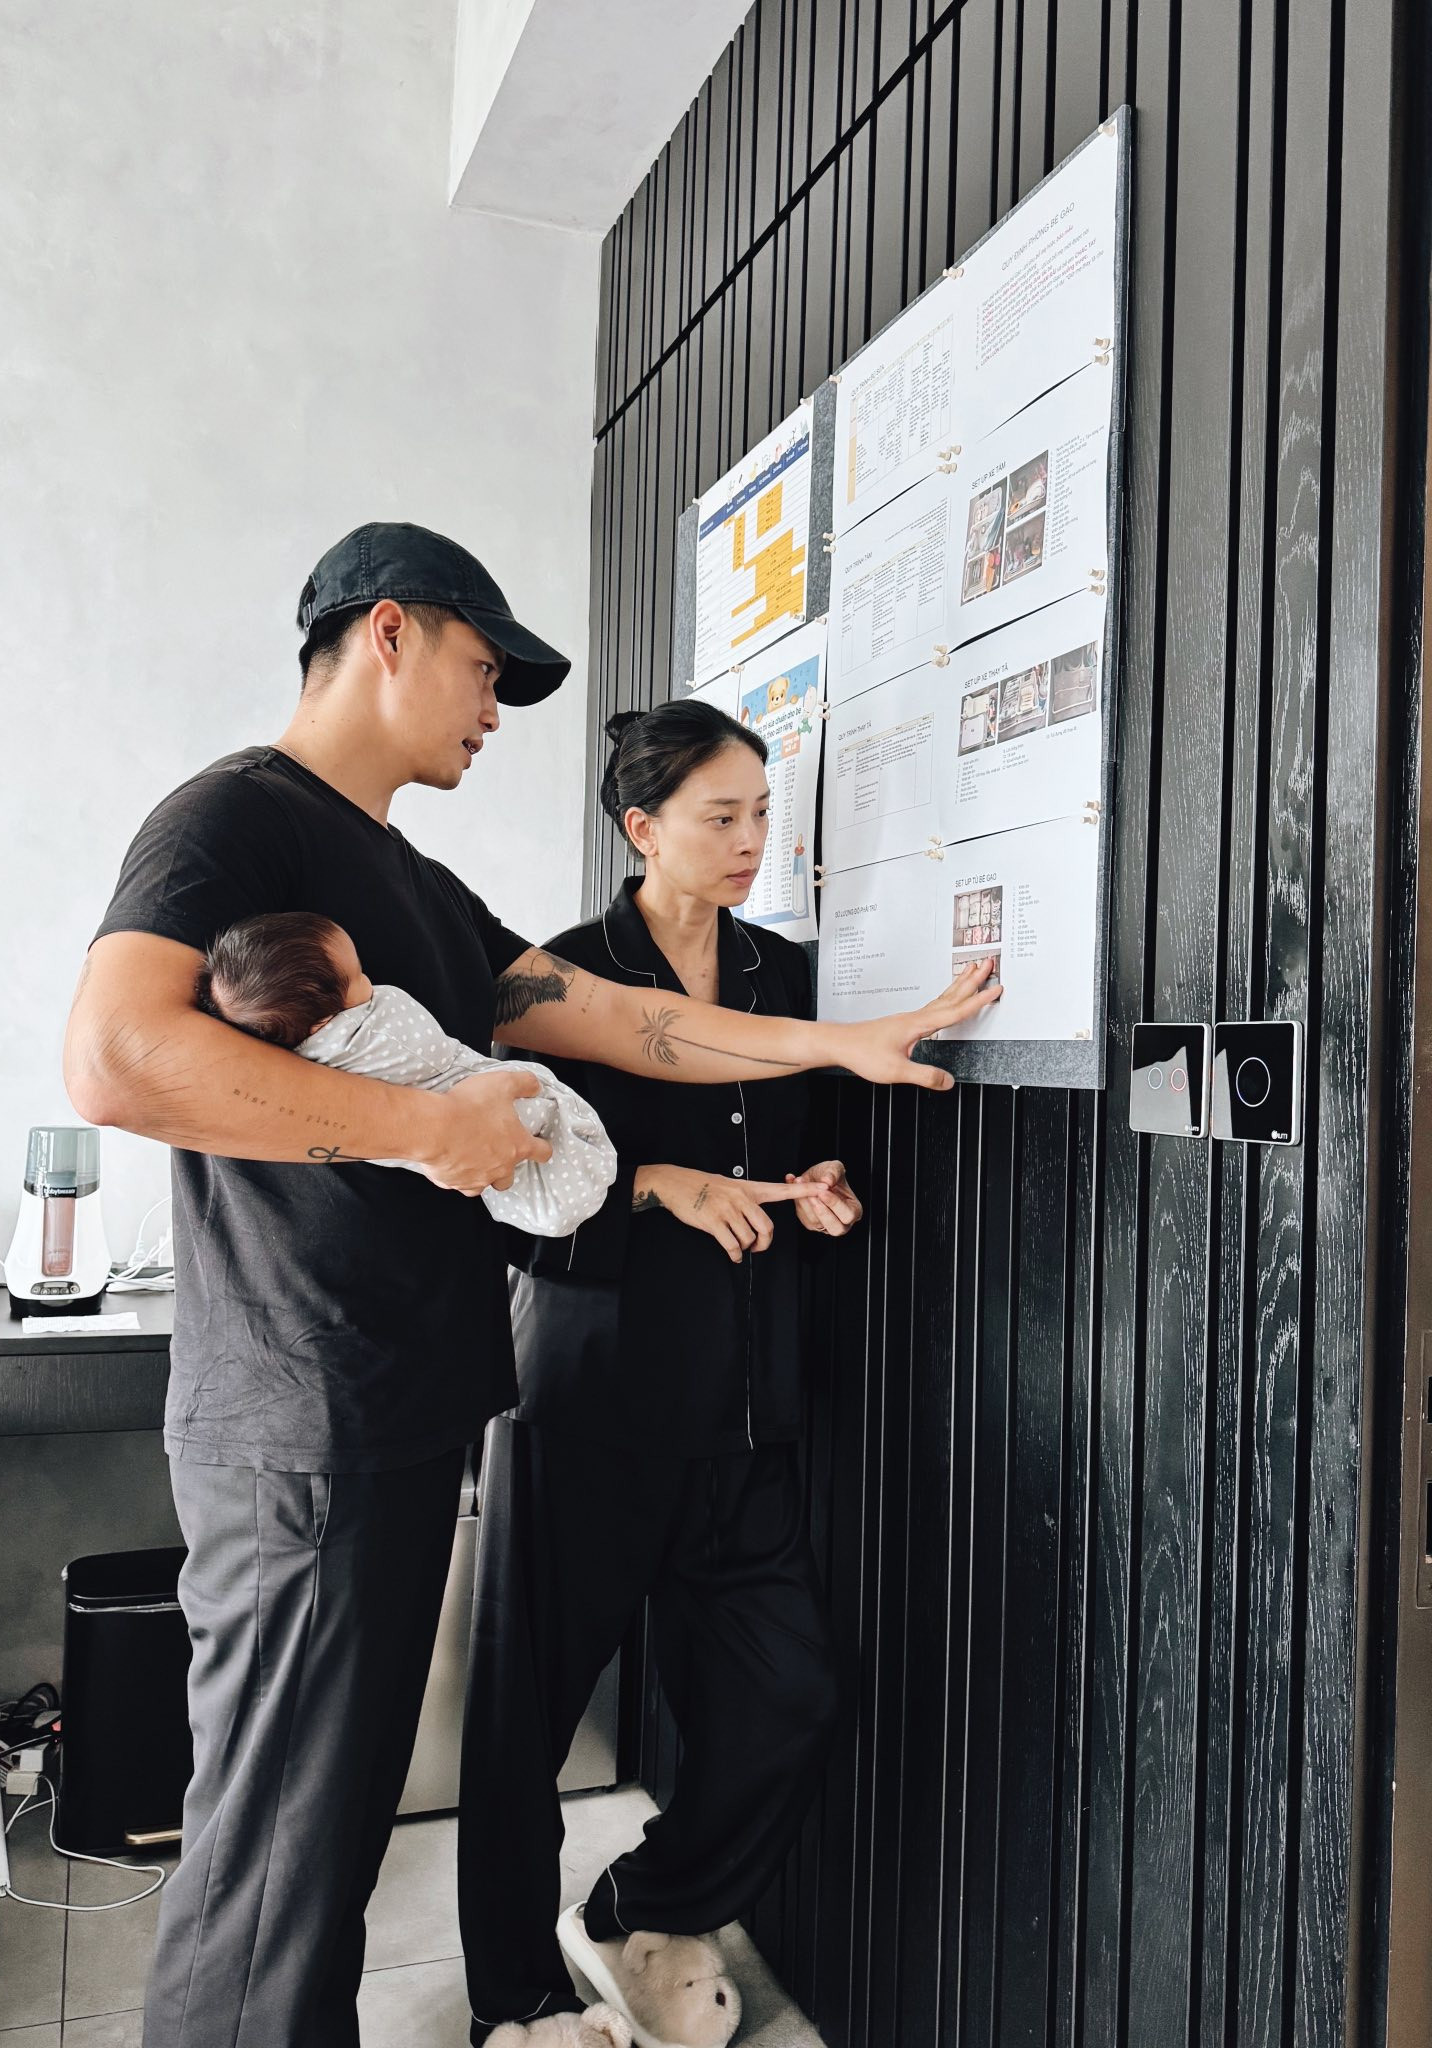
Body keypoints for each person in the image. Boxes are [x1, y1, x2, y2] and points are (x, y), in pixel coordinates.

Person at [63, 521, 1002, 2048]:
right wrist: (426, 1129)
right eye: (484, 668)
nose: (496, 710)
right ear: (387, 632)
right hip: (305, 1418)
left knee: (327, 1855)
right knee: (277, 1868)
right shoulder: (235, 817)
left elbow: (625, 1024)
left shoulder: (416, 885)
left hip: (399, 1410)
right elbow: (116, 1058)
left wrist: (841, 1042)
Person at [456, 700, 996, 2048]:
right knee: (523, 1724)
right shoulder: (557, 981)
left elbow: (798, 1146)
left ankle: (644, 1904)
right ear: (642, 828)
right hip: (588, 1403)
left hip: (748, 1407)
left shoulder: (785, 978)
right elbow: (498, 1193)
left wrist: (817, 1188)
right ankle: (515, 2004)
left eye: (763, 811)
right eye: (723, 815)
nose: (756, 838)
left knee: (792, 1691)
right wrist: (660, 1185)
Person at [196, 910, 617, 1235]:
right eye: (358, 976)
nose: (371, 980)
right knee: (534, 1118)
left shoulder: (298, 1063)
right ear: (323, 1022)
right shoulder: (375, 1031)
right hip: (468, 1106)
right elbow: (431, 1054)